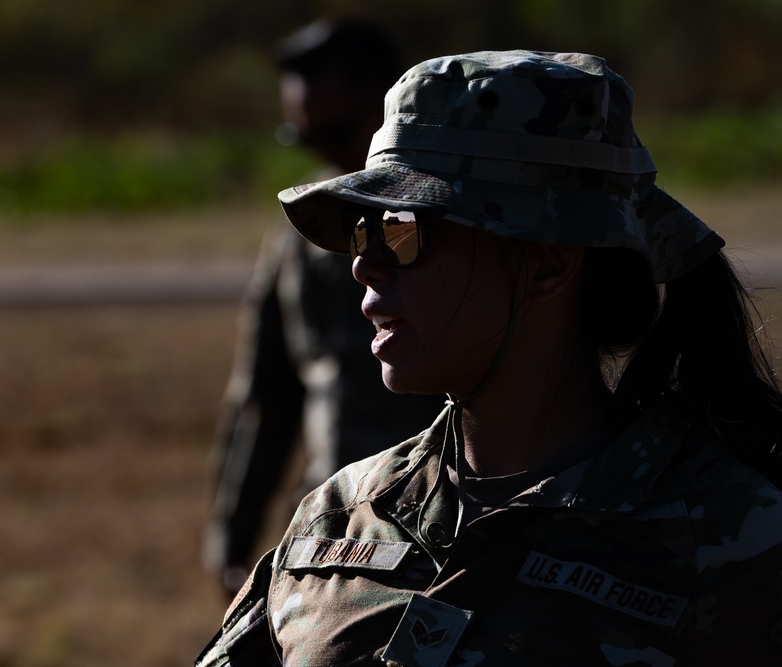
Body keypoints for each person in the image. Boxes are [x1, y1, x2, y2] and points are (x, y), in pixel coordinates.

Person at [196, 50, 782, 665]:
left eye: (402, 229)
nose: (363, 265)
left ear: (549, 261)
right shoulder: (339, 516)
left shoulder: (732, 542)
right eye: (361, 231)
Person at [204, 16, 446, 598]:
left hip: (436, 522)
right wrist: (232, 537)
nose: (325, 156)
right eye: (304, 140)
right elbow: (268, 393)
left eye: (337, 133)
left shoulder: (457, 230)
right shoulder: (297, 239)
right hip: (333, 527)